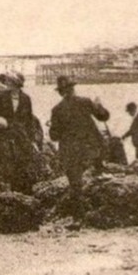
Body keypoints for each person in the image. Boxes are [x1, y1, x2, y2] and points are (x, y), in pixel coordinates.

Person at [48, 74, 109, 220]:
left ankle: (78, 217)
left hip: (70, 152)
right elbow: (103, 117)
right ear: (73, 88)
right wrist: (99, 105)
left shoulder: (56, 110)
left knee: (75, 185)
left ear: (60, 92)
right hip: (91, 150)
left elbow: (54, 136)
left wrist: (51, 126)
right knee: (97, 178)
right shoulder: (86, 102)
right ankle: (98, 211)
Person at [0, 71, 38, 193]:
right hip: (5, 135)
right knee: (7, 164)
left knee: (23, 163)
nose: (7, 84)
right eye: (6, 81)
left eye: (9, 81)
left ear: (16, 83)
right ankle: (8, 192)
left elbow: (29, 121)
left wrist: (32, 140)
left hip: (22, 136)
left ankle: (24, 192)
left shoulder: (26, 99)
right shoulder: (0, 98)